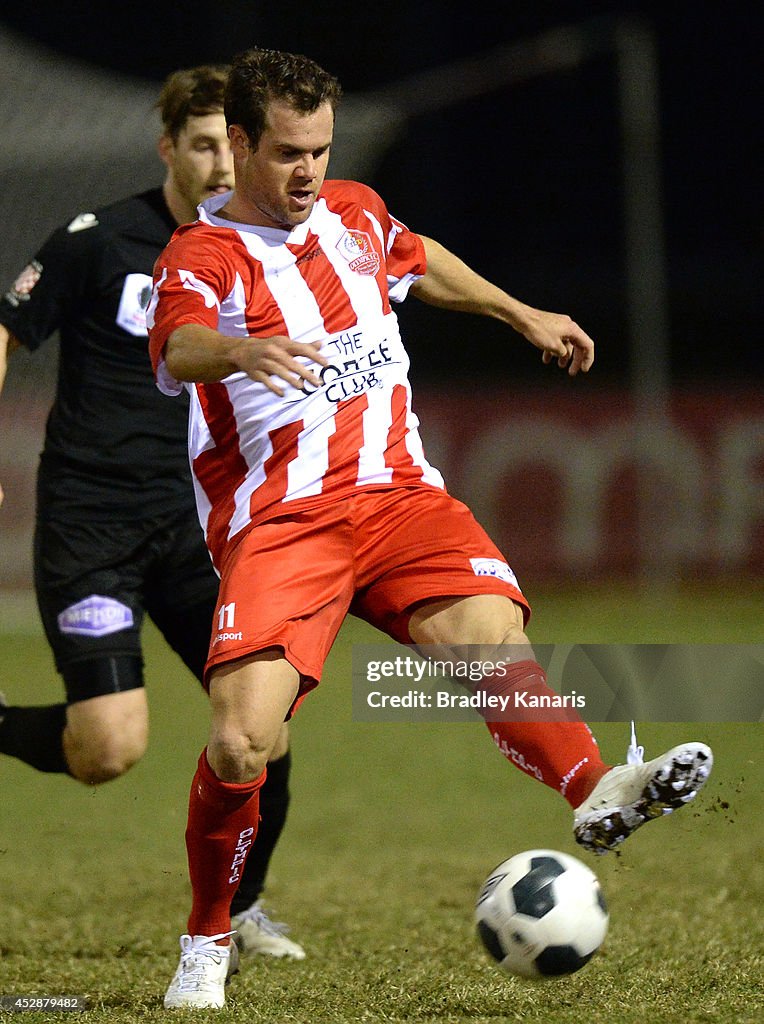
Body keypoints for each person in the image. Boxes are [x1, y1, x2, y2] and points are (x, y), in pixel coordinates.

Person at [147, 47, 713, 1009]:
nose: (308, 172)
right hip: (285, 524)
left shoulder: (355, 213)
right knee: (244, 744)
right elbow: (179, 345)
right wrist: (243, 348)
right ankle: (208, 941)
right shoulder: (203, 256)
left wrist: (518, 311)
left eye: (320, 150)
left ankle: (596, 791)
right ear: (237, 145)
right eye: (287, 152)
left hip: (402, 499)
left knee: (491, 641)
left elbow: (420, 260)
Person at [0, 64, 304, 961]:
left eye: (233, 145)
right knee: (107, 749)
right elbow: (7, 329)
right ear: (169, 148)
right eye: (203, 144)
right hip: (91, 527)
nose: (220, 163)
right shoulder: (99, 240)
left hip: (198, 530)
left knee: (265, 721)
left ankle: (241, 913)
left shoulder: (260, 252)